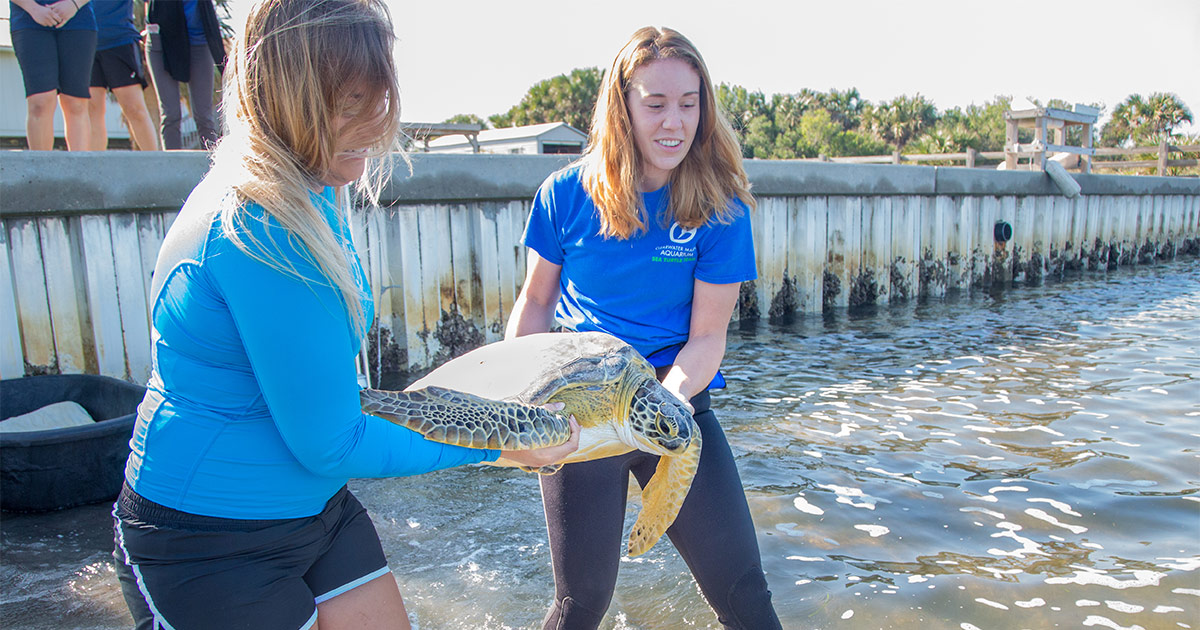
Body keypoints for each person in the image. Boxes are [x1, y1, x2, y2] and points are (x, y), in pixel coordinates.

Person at [110, 1, 578, 629]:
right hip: (204, 540)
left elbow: (334, 399)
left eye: (378, 96)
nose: (376, 124)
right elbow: (335, 443)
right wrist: (500, 442)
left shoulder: (312, 186)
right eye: (351, 102)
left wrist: (501, 423)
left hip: (317, 512)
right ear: (288, 95)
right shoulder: (259, 225)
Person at [506, 26, 783, 630]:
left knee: (746, 593)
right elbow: (534, 305)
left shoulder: (721, 206)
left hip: (672, 401)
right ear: (622, 105)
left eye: (689, 103)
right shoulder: (564, 194)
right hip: (579, 407)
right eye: (655, 104)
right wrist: (518, 404)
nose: (673, 122)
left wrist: (664, 404)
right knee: (581, 607)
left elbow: (707, 338)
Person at [9, 0, 96, 150]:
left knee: (76, 103)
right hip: (29, 21)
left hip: (78, 21)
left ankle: (79, 170)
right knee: (40, 103)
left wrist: (74, 4)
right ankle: (41, 170)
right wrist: (33, 9)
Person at [144, 0, 225, 149]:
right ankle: (172, 166)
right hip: (162, 42)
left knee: (204, 117)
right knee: (171, 115)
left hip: (199, 43)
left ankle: (212, 164)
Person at [87, 0, 157, 150]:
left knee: (134, 108)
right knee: (92, 110)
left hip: (120, 40)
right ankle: (96, 169)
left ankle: (155, 165)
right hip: (84, 40)